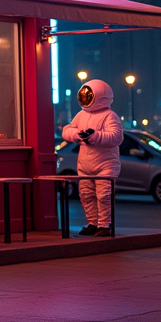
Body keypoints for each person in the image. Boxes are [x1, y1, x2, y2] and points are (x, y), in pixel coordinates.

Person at [62, 79, 124, 237]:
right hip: (85, 164)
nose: (85, 97)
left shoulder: (110, 116)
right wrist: (77, 135)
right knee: (86, 195)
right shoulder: (81, 115)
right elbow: (66, 130)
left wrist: (95, 136)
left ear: (100, 97)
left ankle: (104, 225)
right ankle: (92, 222)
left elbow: (116, 137)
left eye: (88, 94)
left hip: (106, 164)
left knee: (104, 195)